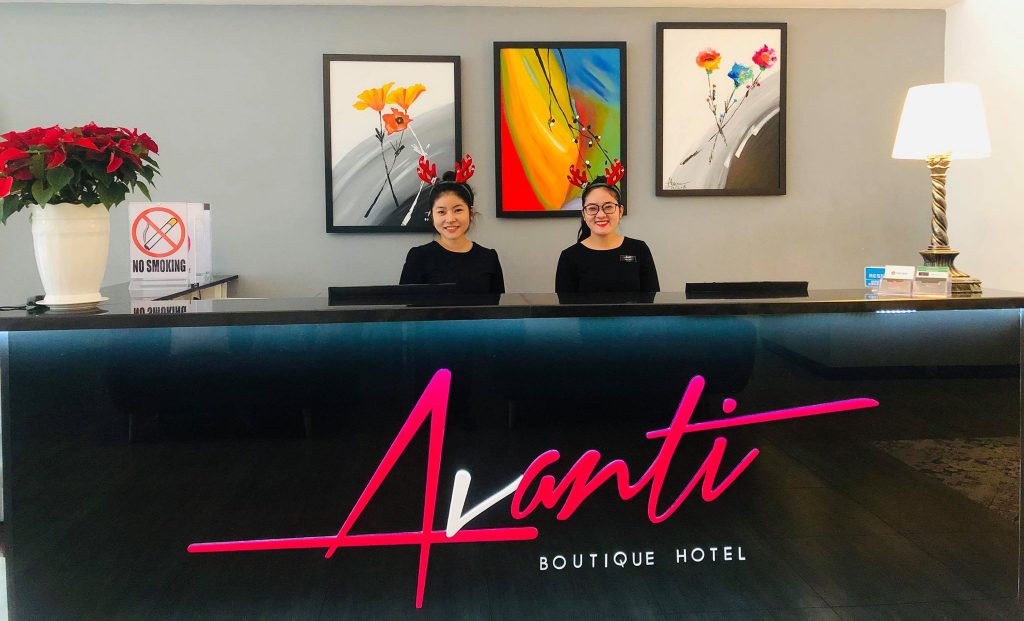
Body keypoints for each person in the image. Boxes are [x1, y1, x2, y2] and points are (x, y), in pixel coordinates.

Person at [400, 156, 505, 294]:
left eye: (458, 210)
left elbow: (499, 305)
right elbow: (406, 305)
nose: (450, 219)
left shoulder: (488, 257)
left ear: (471, 213)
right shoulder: (419, 257)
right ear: (432, 216)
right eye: (441, 212)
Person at [554, 167, 659, 294]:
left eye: (608, 207)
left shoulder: (639, 249)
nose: (601, 215)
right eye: (592, 208)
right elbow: (565, 305)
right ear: (584, 214)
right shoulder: (569, 257)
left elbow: (653, 301)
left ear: (620, 211)